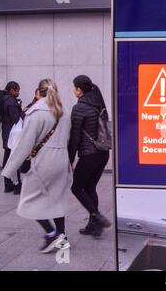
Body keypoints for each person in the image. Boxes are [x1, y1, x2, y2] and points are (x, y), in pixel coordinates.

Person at [1, 79, 72, 254]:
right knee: (57, 199)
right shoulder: (63, 112)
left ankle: (51, 233)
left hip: (43, 161)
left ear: (38, 93)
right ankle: (62, 236)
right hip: (61, 159)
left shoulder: (36, 113)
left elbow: (25, 144)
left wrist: (9, 170)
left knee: (28, 200)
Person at [68, 75, 111, 237]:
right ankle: (94, 226)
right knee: (89, 187)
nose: (73, 90)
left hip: (89, 155)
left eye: (74, 87)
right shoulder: (98, 103)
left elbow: (75, 137)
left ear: (79, 90)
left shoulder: (79, 108)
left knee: (76, 187)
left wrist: (70, 159)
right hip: (103, 153)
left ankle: (97, 216)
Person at [0, 81, 22, 194]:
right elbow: (16, 119)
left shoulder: (3, 99)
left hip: (7, 133)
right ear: (11, 90)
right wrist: (22, 111)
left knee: (7, 158)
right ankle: (16, 186)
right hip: (12, 134)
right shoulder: (10, 101)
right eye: (17, 90)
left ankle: (8, 185)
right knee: (13, 159)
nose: (18, 92)